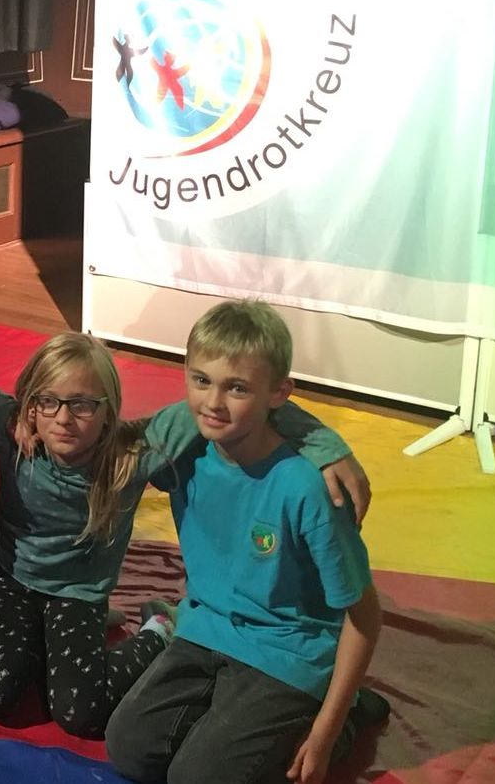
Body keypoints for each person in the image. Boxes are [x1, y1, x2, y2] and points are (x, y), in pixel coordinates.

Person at [0, 318, 370, 740]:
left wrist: (327, 446)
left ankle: (160, 627)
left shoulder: (132, 452)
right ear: (30, 406)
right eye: (48, 402)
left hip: (78, 594)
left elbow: (238, 402)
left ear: (109, 411)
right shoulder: (11, 429)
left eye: (82, 405)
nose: (63, 418)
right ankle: (45, 637)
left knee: (82, 712)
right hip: (9, 579)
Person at [104, 301, 385, 784]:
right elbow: (103, 445)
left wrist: (325, 732)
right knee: (128, 747)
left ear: (279, 393)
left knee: (194, 780)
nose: (213, 402)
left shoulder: (308, 488)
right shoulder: (181, 452)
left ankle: (349, 714)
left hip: (287, 652)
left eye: (236, 388)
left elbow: (365, 616)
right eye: (201, 380)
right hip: (206, 630)